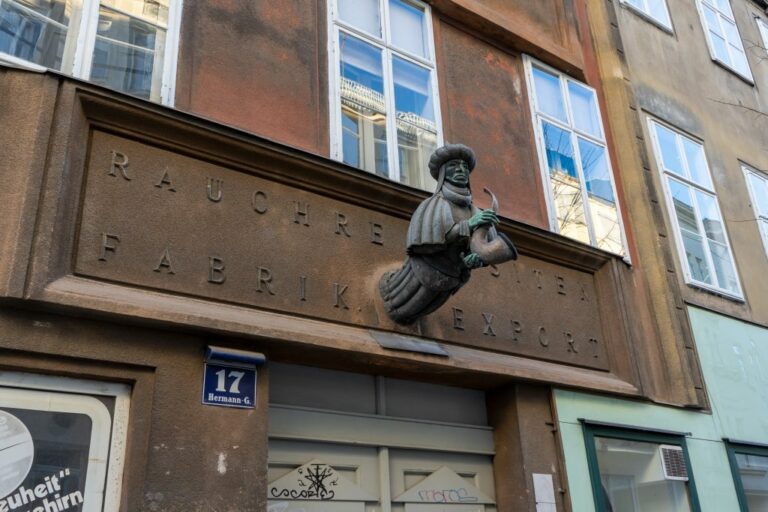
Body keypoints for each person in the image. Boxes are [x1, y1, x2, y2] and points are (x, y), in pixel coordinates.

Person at [379, 144, 503, 325]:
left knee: (424, 305)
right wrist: (469, 225)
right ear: (444, 172)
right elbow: (434, 238)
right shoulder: (436, 204)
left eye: (465, 167)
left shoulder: (476, 211)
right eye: (454, 165)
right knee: (399, 305)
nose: (461, 170)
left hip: (453, 278)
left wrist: (474, 259)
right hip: (426, 271)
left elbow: (483, 248)